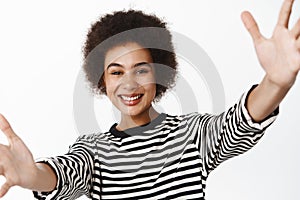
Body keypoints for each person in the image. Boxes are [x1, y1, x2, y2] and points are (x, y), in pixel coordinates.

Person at [0, 0, 299, 199]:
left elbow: (241, 123)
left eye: (140, 70)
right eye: (116, 72)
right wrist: (33, 175)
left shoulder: (191, 135)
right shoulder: (93, 151)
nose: (129, 83)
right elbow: (64, 175)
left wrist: (275, 81)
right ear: (102, 80)